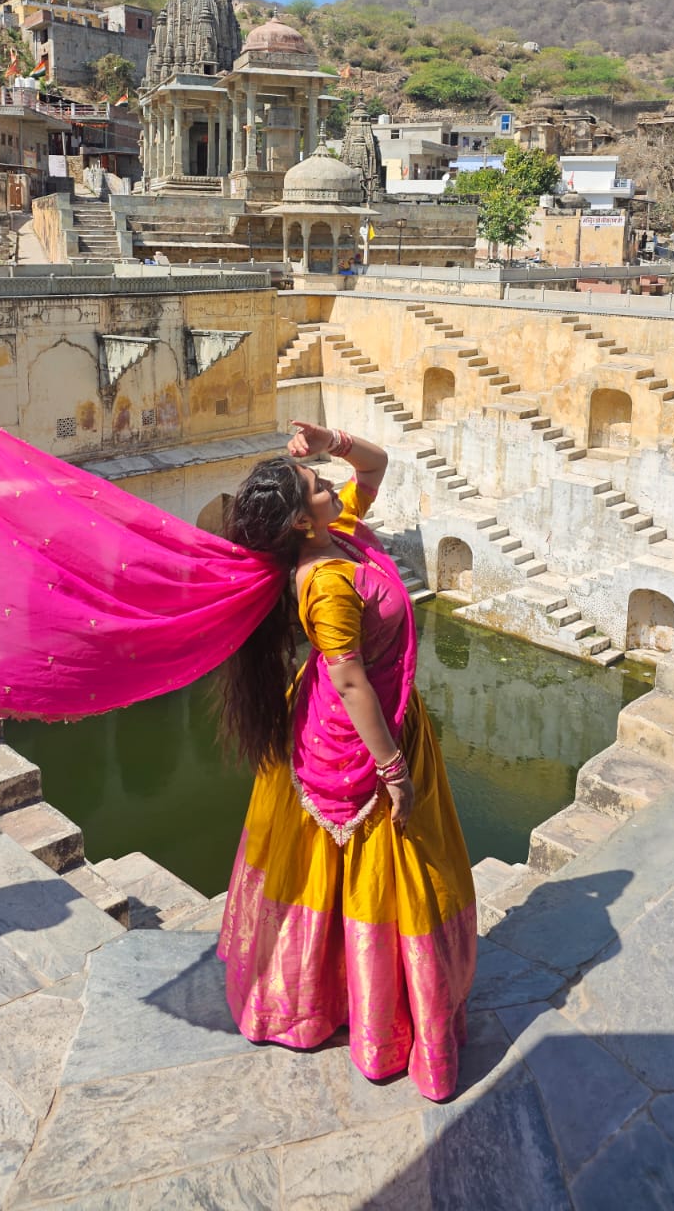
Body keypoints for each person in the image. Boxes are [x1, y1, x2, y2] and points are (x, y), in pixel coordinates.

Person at [216, 420, 476, 1100]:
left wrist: (330, 442)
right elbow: (351, 678)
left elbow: (376, 465)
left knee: (353, 874)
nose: (333, 486)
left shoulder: (342, 536)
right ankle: (367, 1017)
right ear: (301, 522)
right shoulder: (327, 580)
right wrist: (394, 771)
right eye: (318, 487)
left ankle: (345, 993)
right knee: (382, 872)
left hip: (381, 716)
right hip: (357, 738)